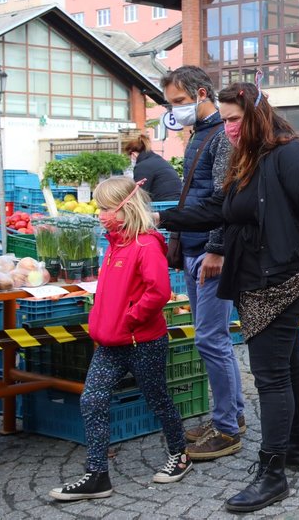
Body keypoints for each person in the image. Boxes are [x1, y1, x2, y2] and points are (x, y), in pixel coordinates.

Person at [157, 81, 299, 512]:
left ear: (257, 113)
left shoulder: (294, 156)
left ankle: (272, 473)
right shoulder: (249, 158)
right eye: (224, 120)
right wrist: (158, 217)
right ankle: (298, 449)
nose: (229, 128)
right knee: (290, 364)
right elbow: (218, 210)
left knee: (271, 376)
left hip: (285, 282)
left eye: (235, 119)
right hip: (257, 280)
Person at [50, 177, 191, 501]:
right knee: (92, 400)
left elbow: (159, 292)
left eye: (105, 208)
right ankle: (97, 474)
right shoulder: (115, 243)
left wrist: (129, 319)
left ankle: (180, 454)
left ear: (125, 208)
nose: (100, 214)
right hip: (111, 342)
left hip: (142, 342)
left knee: (157, 399)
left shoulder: (146, 244)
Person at [160, 66, 246, 460]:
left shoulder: (220, 136)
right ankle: (231, 416)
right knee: (212, 338)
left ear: (199, 93)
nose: (175, 110)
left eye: (179, 102)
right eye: (171, 104)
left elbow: (223, 198)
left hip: (210, 251)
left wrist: (216, 248)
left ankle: (227, 428)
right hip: (195, 247)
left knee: (212, 339)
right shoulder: (199, 134)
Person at [123, 132, 182, 202]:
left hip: (161, 205)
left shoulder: (142, 166)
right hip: (175, 203)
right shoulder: (157, 159)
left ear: (133, 154)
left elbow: (139, 195)